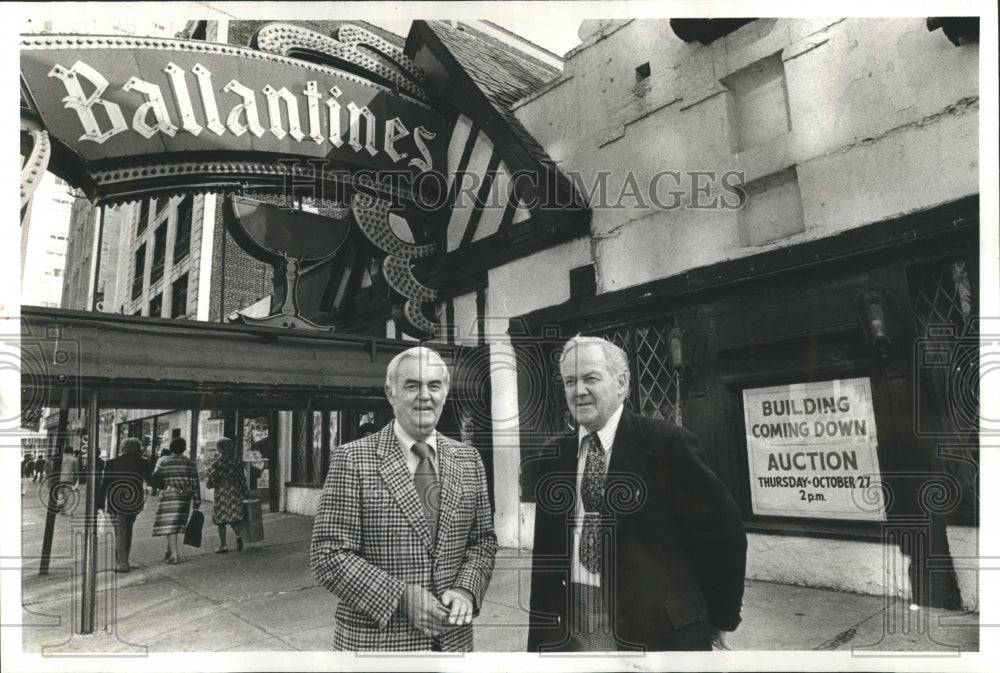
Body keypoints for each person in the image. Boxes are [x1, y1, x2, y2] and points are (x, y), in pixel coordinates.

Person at [527, 336, 747, 652]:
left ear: (622, 383)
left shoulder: (667, 444)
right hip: (572, 623)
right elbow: (545, 558)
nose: (578, 390)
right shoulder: (554, 457)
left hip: (655, 628)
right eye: (570, 381)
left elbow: (724, 533)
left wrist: (717, 617)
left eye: (591, 378)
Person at [311, 346, 497, 651]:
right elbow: (328, 555)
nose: (425, 395)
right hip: (378, 647)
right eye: (412, 385)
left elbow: (484, 542)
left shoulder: (469, 459)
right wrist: (400, 597)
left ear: (445, 392)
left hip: (453, 644)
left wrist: (466, 589)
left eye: (434, 385)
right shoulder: (352, 459)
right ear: (390, 392)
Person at [98, 438, 150, 573]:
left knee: (120, 531)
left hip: (115, 501)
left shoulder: (111, 463)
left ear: (123, 448)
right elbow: (151, 480)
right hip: (134, 501)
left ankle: (122, 562)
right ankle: (123, 559)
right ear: (138, 449)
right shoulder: (143, 462)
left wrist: (99, 504)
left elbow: (105, 484)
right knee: (127, 529)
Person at [151, 437, 200, 565]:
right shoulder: (190, 463)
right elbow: (195, 483)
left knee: (170, 524)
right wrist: (197, 500)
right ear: (184, 448)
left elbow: (154, 480)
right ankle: (169, 550)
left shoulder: (164, 462)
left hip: (169, 495)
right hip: (185, 497)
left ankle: (174, 555)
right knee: (175, 524)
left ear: (171, 448)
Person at [206, 437, 249, 553]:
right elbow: (242, 478)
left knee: (221, 520)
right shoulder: (237, 462)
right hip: (235, 491)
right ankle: (238, 536)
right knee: (235, 517)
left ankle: (223, 545)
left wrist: (209, 478)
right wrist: (245, 492)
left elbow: (212, 482)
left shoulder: (216, 464)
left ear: (219, 449)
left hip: (222, 492)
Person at [57, 446, 80, 514]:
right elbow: (76, 471)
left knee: (60, 492)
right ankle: (63, 509)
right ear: (72, 451)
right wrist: (76, 480)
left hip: (59, 478)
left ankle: (59, 503)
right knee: (67, 493)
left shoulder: (60, 459)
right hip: (69, 479)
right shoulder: (74, 459)